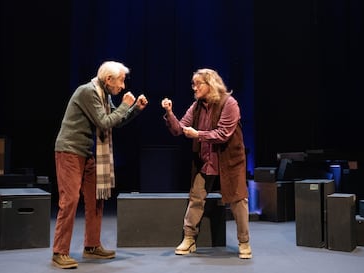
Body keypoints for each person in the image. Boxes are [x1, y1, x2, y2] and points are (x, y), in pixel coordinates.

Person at [52, 60, 149, 269]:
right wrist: (124, 104)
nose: (122, 86)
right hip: (69, 150)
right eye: (121, 81)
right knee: (69, 201)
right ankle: (59, 252)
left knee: (97, 197)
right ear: (108, 80)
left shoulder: (102, 94)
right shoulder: (87, 92)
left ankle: (92, 246)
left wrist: (134, 110)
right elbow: (104, 122)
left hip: (86, 152)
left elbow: (116, 120)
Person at [161, 68, 252, 259]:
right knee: (196, 197)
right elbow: (179, 129)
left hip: (230, 160)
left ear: (209, 84)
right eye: (193, 84)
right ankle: (189, 238)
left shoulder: (229, 103)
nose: (193, 88)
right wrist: (169, 113)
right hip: (207, 160)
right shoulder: (197, 106)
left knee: (238, 200)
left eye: (197, 84)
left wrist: (198, 134)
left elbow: (223, 133)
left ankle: (244, 242)